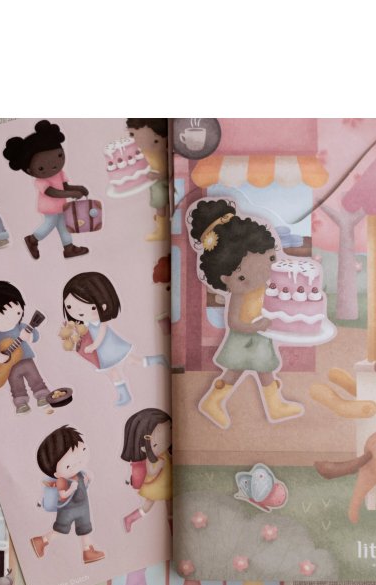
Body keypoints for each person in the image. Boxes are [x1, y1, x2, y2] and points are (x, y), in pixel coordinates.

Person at [192, 200, 304, 428]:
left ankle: (273, 405)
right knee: (238, 370)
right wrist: (255, 327)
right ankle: (215, 401)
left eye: (270, 259)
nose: (263, 273)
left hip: (260, 337)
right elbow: (234, 322)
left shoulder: (265, 287)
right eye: (242, 277)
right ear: (226, 279)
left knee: (261, 370)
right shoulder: (240, 296)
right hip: (244, 339)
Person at [62, 271, 167, 406]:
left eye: (91, 307)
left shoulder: (99, 322)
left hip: (110, 347)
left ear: (103, 305)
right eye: (69, 306)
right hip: (103, 353)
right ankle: (126, 393)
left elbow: (102, 333)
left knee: (129, 362)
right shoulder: (84, 323)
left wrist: (94, 346)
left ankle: (155, 362)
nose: (78, 312)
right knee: (119, 368)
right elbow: (81, 334)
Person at [2, 120, 90, 259]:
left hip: (61, 206)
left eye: (59, 156)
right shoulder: (41, 181)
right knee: (50, 224)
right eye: (41, 167)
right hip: (49, 207)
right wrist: (72, 193)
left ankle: (68, 248)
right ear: (29, 170)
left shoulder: (59, 173)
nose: (54, 165)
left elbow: (64, 187)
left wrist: (78, 188)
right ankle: (32, 239)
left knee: (63, 225)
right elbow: (52, 192)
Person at [0, 281, 50, 414]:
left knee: (35, 377)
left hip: (26, 359)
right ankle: (21, 403)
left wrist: (29, 336)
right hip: (8, 368)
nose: (7, 319)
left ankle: (42, 395)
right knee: (16, 385)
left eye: (14, 311)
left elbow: (35, 336)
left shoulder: (21, 327)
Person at [30, 426, 106, 565]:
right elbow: (63, 495)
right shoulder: (62, 481)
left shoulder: (80, 474)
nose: (78, 462)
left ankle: (87, 551)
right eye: (68, 466)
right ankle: (41, 541)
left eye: (83, 450)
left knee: (85, 528)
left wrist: (89, 479)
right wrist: (71, 489)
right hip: (68, 510)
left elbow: (84, 486)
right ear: (56, 473)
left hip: (83, 508)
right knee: (60, 529)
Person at [119, 408, 172, 532]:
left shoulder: (164, 453)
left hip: (166, 483)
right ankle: (130, 518)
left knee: (170, 505)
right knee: (148, 505)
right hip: (156, 485)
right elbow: (151, 472)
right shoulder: (151, 458)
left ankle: (172, 525)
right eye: (156, 443)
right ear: (144, 447)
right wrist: (159, 465)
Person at [126, 119, 169, 241]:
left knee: (160, 208)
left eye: (156, 141)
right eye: (131, 134)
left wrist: (158, 176)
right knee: (159, 208)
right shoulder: (144, 153)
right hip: (154, 185)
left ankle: (162, 231)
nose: (134, 139)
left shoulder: (161, 154)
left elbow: (167, 172)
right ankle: (161, 228)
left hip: (160, 185)